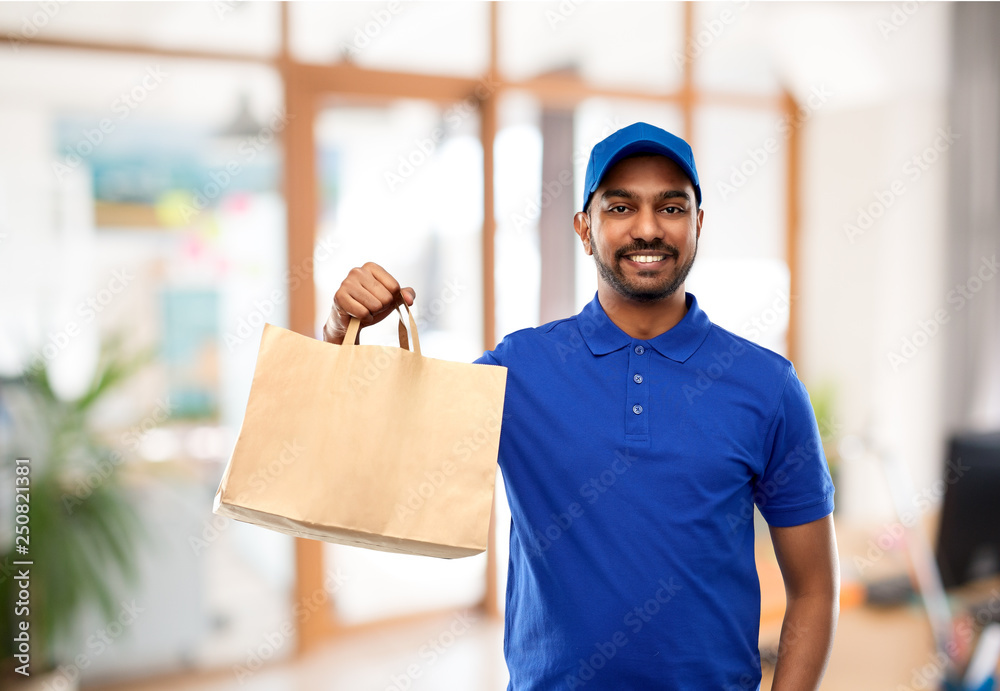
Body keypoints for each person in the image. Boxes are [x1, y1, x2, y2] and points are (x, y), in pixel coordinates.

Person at [323, 122, 839, 690]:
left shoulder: (766, 385)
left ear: (697, 224)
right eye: (620, 208)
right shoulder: (518, 370)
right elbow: (377, 457)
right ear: (585, 229)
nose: (647, 228)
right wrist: (339, 334)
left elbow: (814, 589)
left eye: (670, 207)